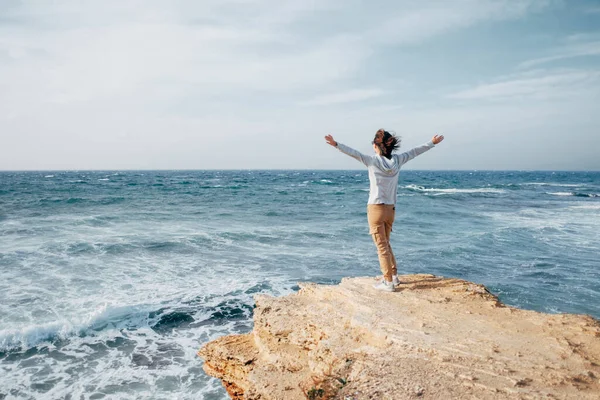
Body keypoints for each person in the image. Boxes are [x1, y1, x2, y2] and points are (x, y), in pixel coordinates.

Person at [324, 129, 444, 292]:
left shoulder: (371, 161)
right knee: (386, 244)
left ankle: (388, 282)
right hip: (390, 209)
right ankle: (393, 276)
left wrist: (336, 144)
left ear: (376, 146)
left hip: (376, 209)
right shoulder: (399, 160)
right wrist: (431, 143)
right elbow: (415, 151)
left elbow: (353, 153)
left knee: (381, 246)